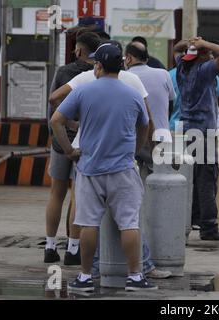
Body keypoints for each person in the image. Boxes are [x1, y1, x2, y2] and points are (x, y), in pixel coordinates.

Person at [51, 43, 157, 292]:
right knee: (129, 223)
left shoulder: (84, 91)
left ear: (98, 65)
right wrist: (134, 150)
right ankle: (135, 277)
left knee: (89, 223)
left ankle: (85, 277)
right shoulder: (132, 94)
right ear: (121, 65)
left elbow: (57, 120)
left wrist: (68, 150)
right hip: (123, 168)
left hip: (89, 169)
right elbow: (145, 125)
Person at [44, 32, 101, 265]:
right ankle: (72, 249)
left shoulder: (64, 72)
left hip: (60, 142)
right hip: (85, 143)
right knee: (78, 195)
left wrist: (65, 122)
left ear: (78, 50)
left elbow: (52, 101)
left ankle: (49, 247)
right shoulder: (98, 74)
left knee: (56, 193)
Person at [174, 37, 219, 241]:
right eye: (207, 53)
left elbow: (177, 49)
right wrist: (205, 43)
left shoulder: (182, 68)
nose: (210, 55)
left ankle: (191, 219)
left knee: (191, 179)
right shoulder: (204, 71)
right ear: (201, 56)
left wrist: (192, 44)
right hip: (204, 133)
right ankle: (209, 227)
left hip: (187, 131)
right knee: (207, 180)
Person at [124, 42, 174, 279]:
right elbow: (171, 101)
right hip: (161, 139)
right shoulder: (164, 73)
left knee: (136, 201)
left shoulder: (126, 77)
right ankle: (163, 247)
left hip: (135, 142)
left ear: (130, 58)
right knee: (165, 195)